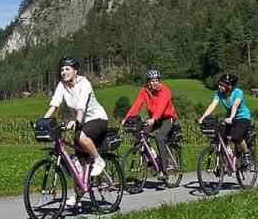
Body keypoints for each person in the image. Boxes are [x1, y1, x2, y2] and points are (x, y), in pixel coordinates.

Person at [43, 56, 109, 206]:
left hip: (98, 119)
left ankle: (99, 160)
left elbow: (81, 105)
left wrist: (77, 120)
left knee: (81, 136)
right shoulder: (62, 85)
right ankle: (78, 195)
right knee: (77, 163)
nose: (64, 72)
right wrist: (43, 122)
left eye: (67, 69)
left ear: (75, 71)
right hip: (81, 121)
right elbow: (54, 104)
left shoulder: (85, 83)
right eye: (62, 69)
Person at [121, 69, 179, 180]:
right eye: (152, 81)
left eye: (157, 80)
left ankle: (164, 169)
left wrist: (154, 118)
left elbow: (161, 106)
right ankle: (152, 158)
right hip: (154, 118)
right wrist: (127, 118)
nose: (155, 83)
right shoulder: (145, 91)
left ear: (160, 81)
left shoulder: (165, 91)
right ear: (149, 82)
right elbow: (137, 105)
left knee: (160, 138)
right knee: (140, 134)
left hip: (167, 117)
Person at [198, 73, 252, 162]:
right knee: (219, 133)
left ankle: (246, 154)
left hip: (243, 117)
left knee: (237, 137)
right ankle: (228, 156)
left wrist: (231, 117)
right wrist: (202, 118)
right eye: (219, 84)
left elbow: (235, 105)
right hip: (229, 118)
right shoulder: (219, 93)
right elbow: (212, 106)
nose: (220, 87)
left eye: (223, 85)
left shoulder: (238, 92)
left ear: (230, 86)